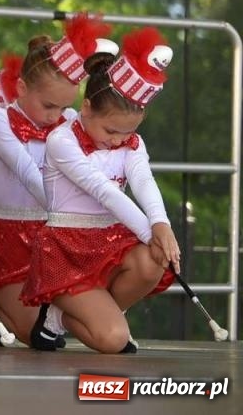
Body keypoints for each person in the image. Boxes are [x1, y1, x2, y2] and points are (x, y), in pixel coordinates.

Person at [22, 30, 179, 354]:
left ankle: (79, 317)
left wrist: (161, 224)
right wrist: (151, 232)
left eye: (129, 132)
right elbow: (104, 192)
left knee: (154, 261)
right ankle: (70, 318)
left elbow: (143, 181)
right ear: (87, 107)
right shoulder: (62, 141)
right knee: (112, 340)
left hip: (110, 243)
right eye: (111, 130)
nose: (120, 140)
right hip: (67, 251)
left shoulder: (129, 142)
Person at [0, 14, 110, 344]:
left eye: (63, 107)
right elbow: (28, 174)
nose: (55, 116)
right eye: (48, 105)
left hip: (52, 236)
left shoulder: (69, 120)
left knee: (89, 329)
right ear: (21, 87)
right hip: (5, 239)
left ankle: (51, 311)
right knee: (36, 337)